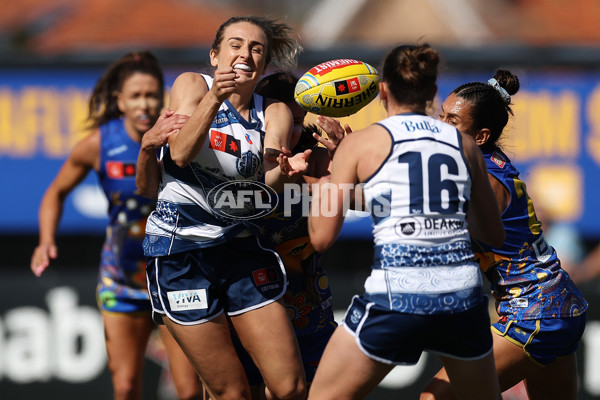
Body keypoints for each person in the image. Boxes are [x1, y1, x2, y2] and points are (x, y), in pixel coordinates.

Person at [306, 43, 505, 400]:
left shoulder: (362, 143)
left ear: (382, 91)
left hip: (397, 295)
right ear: (431, 93)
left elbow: (321, 238)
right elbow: (493, 234)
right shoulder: (465, 145)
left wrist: (321, 185)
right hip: (460, 298)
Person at [139, 16, 309, 400]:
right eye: (235, 44)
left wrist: (287, 171)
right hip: (181, 253)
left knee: (290, 388)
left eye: (256, 48)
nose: (245, 53)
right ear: (215, 55)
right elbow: (179, 154)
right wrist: (214, 97)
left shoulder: (275, 113)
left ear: (264, 66)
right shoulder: (192, 85)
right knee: (230, 392)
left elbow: (264, 189)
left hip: (241, 249)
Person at [29, 51, 203, 400]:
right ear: (118, 101)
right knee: (125, 387)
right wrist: (45, 239)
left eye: (152, 94)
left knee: (189, 390)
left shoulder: (181, 137)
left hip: (173, 275)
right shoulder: (100, 144)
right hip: (120, 280)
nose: (145, 103)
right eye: (136, 95)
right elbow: (55, 192)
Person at [421, 70, 589, 400]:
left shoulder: (485, 180)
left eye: (452, 121)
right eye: (440, 115)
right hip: (558, 305)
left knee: (435, 398)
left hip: (536, 312)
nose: (439, 126)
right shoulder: (484, 164)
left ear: (481, 136)